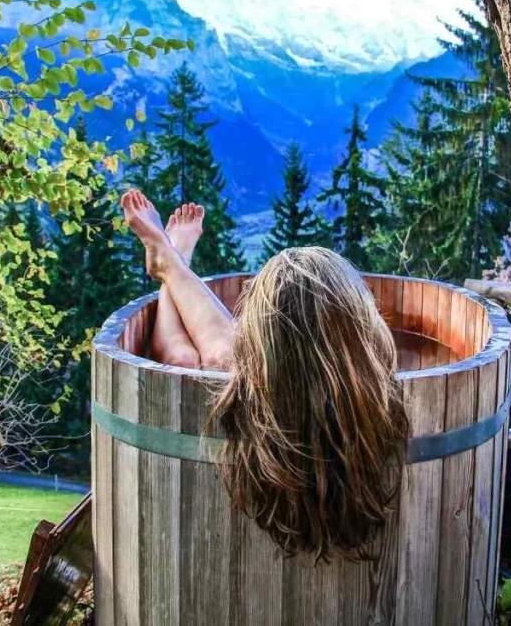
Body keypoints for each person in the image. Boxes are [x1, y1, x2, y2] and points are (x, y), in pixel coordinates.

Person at [121, 189, 408, 561]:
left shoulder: (247, 388)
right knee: (221, 355)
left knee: (194, 358)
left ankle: (171, 265)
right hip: (285, 374)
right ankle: (172, 263)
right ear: (360, 325)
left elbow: (227, 353)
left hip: (256, 380)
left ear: (259, 335)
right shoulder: (373, 384)